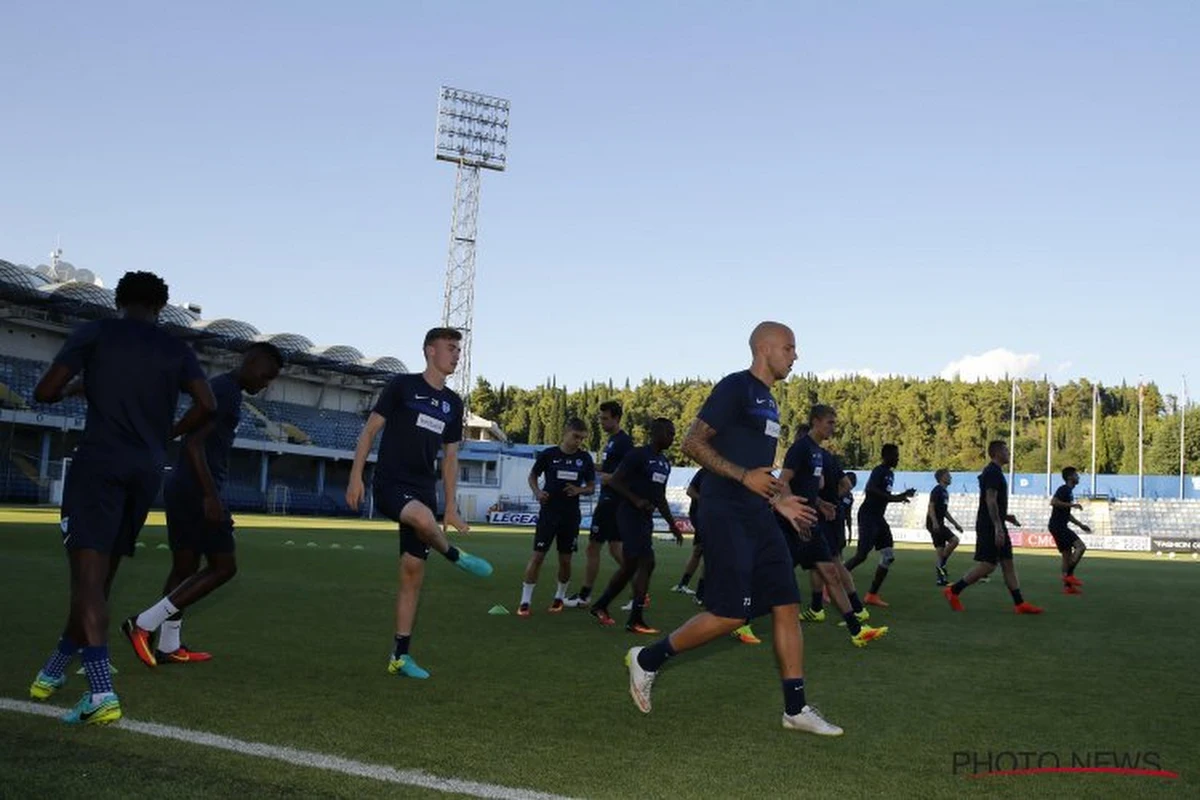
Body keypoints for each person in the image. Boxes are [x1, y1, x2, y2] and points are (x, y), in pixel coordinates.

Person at [624, 322, 842, 736]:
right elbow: (692, 442)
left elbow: (760, 473)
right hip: (725, 512)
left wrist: (779, 501)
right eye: (790, 348)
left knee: (786, 603)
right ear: (764, 349)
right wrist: (743, 478)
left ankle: (795, 708)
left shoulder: (770, 403)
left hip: (759, 514)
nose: (795, 356)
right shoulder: (736, 387)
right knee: (730, 615)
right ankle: (647, 659)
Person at [27, 271, 217, 725]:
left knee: (88, 579)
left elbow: (45, 391)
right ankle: (53, 670)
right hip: (147, 469)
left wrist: (84, 386)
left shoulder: (95, 333)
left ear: (119, 300)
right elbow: (208, 404)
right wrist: (165, 432)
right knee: (101, 577)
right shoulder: (177, 348)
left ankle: (100, 691)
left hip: (100, 464)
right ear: (160, 305)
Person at [345, 327, 493, 680]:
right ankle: (455, 556)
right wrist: (355, 476)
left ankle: (400, 656)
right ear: (430, 351)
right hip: (391, 484)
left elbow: (451, 458)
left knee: (411, 576)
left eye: (459, 349)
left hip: (425, 487)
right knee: (424, 520)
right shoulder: (401, 386)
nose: (457, 354)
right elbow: (369, 432)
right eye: (450, 348)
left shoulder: (453, 404)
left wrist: (452, 507)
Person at [122, 344, 283, 666]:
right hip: (196, 489)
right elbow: (194, 445)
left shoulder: (224, 388)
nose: (266, 384)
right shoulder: (226, 390)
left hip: (183, 486)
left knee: (184, 568)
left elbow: (189, 435)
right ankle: (143, 624)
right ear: (250, 363)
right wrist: (212, 497)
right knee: (224, 566)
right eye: (266, 376)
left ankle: (169, 646)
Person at [779, 410, 886, 648]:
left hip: (811, 520)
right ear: (815, 422)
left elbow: (806, 488)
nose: (833, 427)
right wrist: (794, 514)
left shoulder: (819, 452)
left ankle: (857, 630)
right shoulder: (801, 449)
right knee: (773, 574)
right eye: (830, 423)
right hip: (792, 524)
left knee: (831, 574)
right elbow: (783, 482)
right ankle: (740, 619)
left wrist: (820, 503)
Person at [588, 418, 685, 634]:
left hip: (644, 519)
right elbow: (615, 481)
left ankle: (601, 605)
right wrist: (636, 500)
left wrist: (672, 524)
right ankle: (635, 619)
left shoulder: (664, 463)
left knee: (630, 567)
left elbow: (660, 496)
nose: (672, 437)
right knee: (647, 562)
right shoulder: (638, 455)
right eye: (670, 433)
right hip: (628, 514)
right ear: (656, 432)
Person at [943, 441, 1043, 614]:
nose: (1009, 453)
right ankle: (953, 591)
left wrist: (1005, 517)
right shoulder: (992, 472)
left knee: (1008, 563)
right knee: (988, 565)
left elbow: (992, 501)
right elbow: (990, 500)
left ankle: (1019, 604)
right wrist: (998, 526)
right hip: (990, 525)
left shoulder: (994, 472)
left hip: (995, 523)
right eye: (1006, 450)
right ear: (996, 453)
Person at [517, 418, 596, 616]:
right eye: (575, 436)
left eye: (581, 438)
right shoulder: (549, 454)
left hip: (570, 516)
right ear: (565, 432)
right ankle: (525, 601)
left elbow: (591, 486)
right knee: (537, 557)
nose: (578, 441)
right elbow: (532, 476)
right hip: (549, 513)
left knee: (565, 560)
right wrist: (537, 492)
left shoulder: (585, 458)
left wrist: (579, 489)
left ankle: (559, 597)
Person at [566, 401, 633, 607]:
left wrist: (607, 478)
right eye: (600, 418)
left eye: (605, 418)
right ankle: (640, 590)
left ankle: (585, 596)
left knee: (593, 548)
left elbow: (628, 472)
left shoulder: (623, 442)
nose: (601, 422)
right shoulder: (613, 441)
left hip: (611, 501)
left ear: (616, 418)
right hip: (611, 500)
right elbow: (609, 467)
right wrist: (590, 465)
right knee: (614, 549)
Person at [843, 444, 915, 607]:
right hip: (868, 516)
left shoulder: (890, 474)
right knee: (861, 555)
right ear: (886, 456)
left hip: (878, 518)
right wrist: (897, 498)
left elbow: (885, 495)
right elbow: (871, 490)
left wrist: (902, 495)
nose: (898, 458)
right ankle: (830, 584)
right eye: (895, 455)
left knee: (888, 555)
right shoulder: (879, 471)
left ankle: (872, 595)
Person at [1049, 467, 1091, 593]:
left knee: (1066, 556)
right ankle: (1069, 576)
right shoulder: (1064, 489)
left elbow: (1066, 514)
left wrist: (1080, 525)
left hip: (1059, 525)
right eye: (1076, 475)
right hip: (1058, 526)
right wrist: (1072, 505)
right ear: (1070, 477)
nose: (1078, 477)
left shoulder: (1069, 491)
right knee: (1081, 547)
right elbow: (1054, 502)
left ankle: (1068, 587)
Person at [926, 469, 964, 586]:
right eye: (948, 475)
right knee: (954, 540)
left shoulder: (945, 492)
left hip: (938, 522)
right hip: (935, 523)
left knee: (940, 551)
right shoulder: (937, 490)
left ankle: (941, 579)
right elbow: (931, 507)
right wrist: (935, 522)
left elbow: (945, 511)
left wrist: (955, 524)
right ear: (942, 477)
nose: (950, 477)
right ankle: (942, 564)